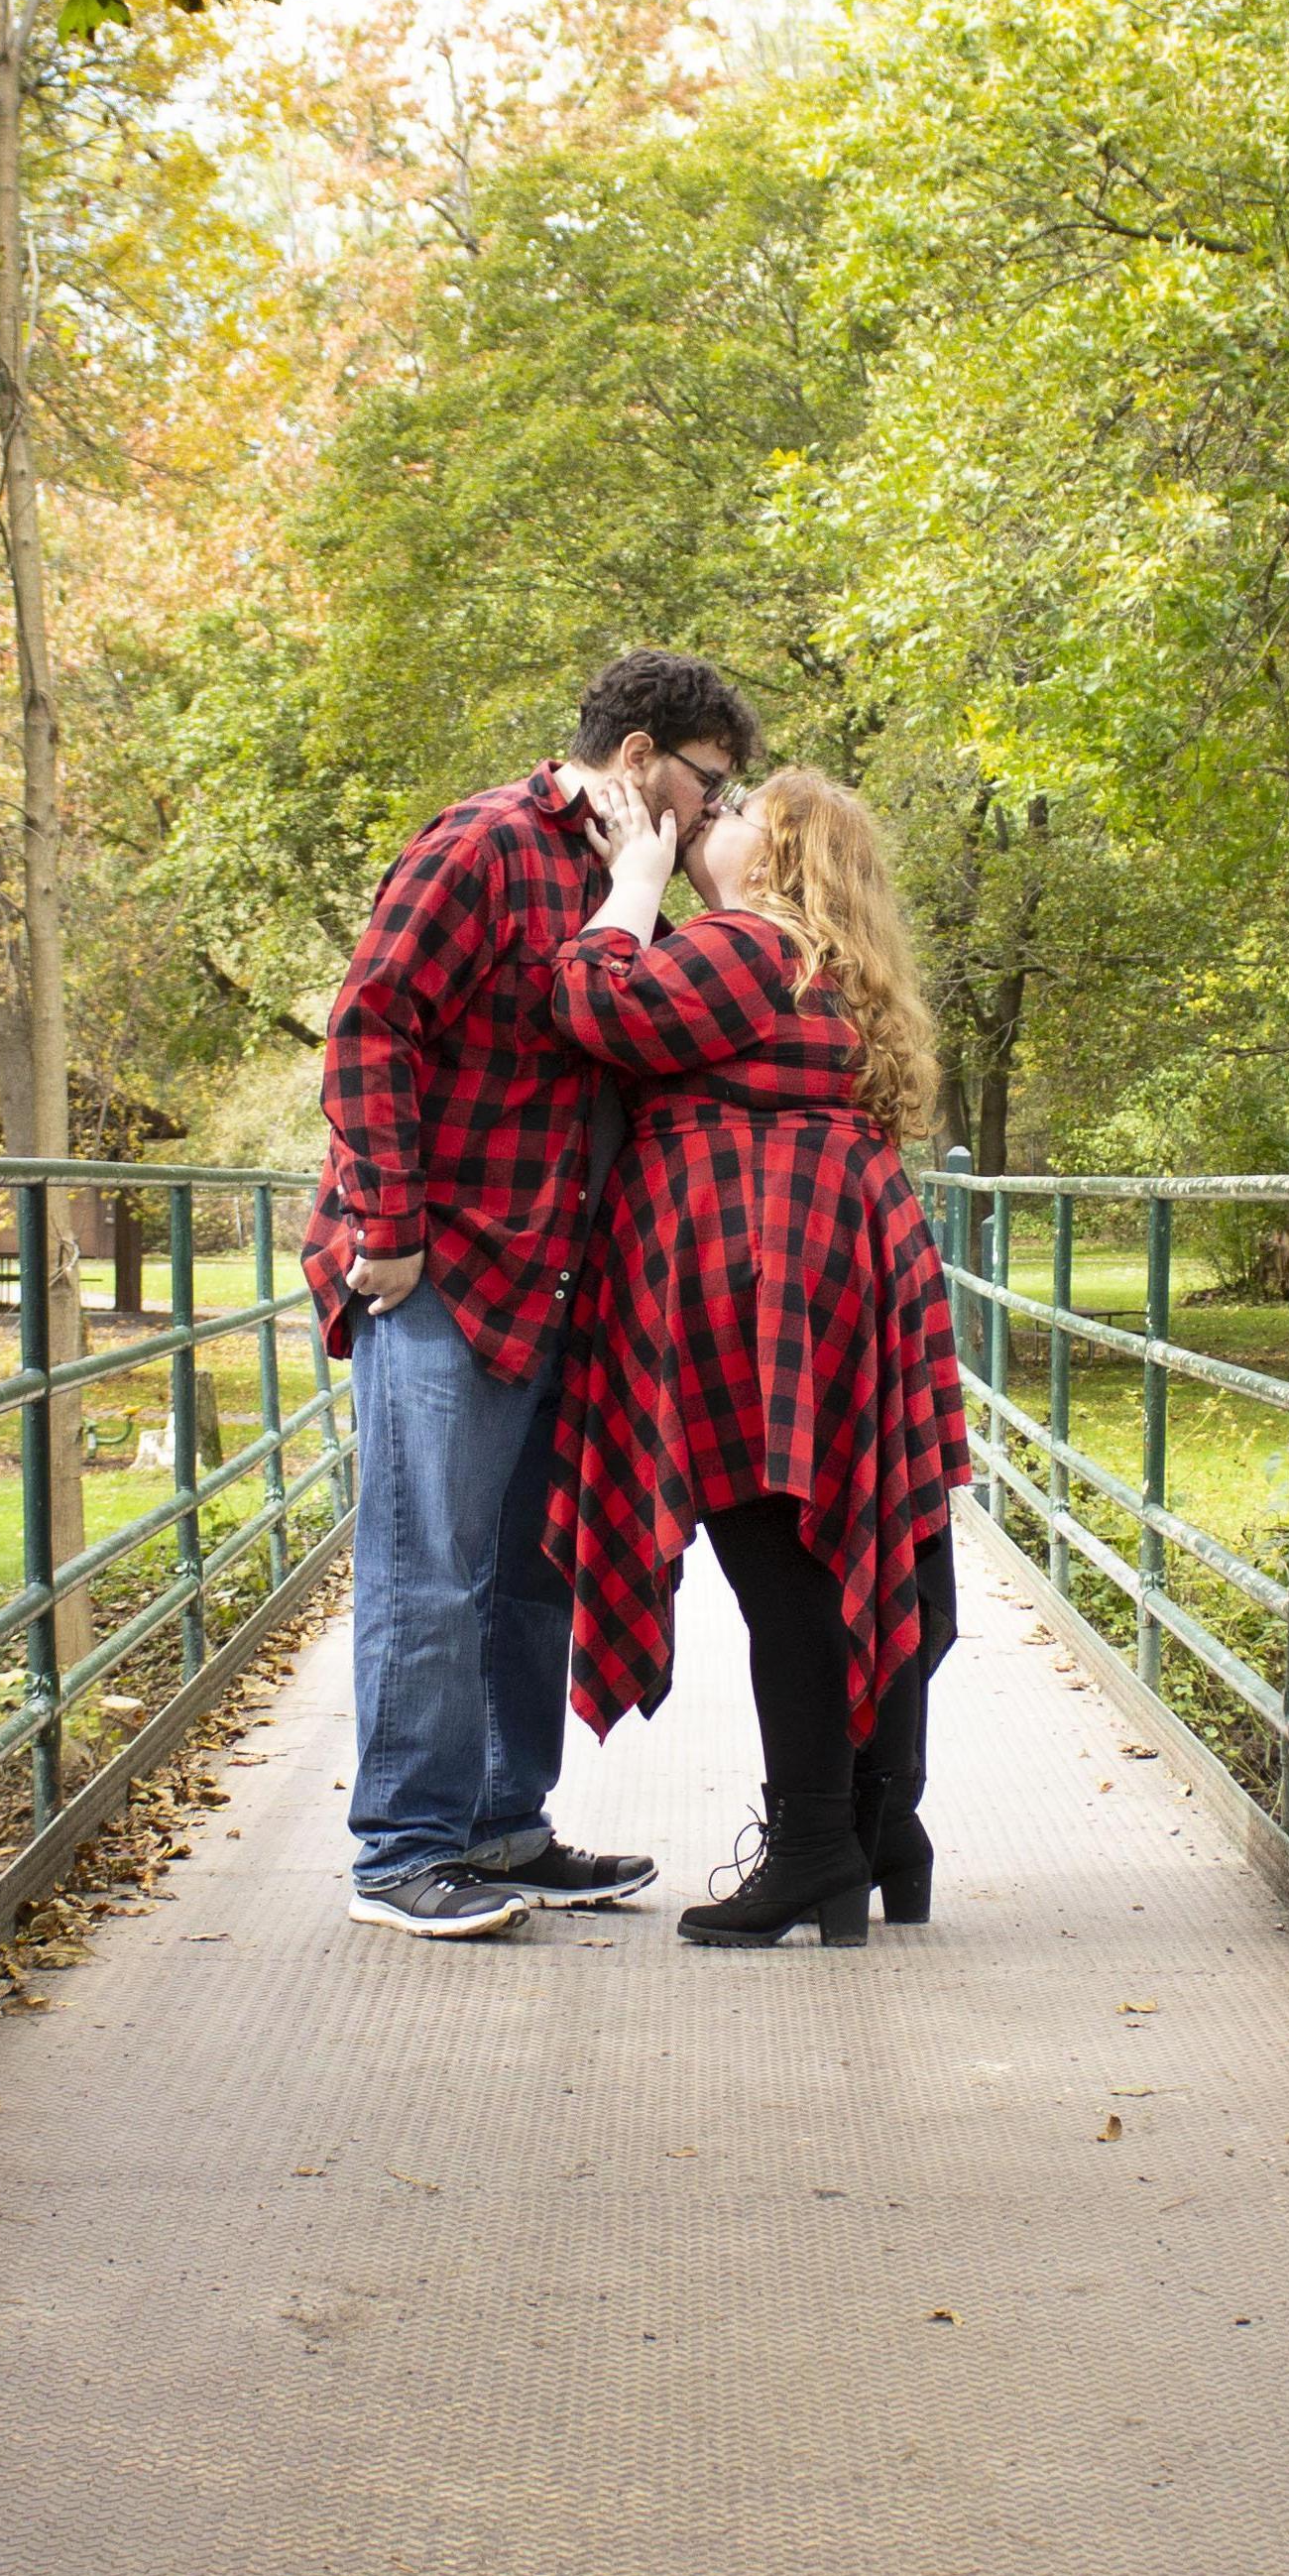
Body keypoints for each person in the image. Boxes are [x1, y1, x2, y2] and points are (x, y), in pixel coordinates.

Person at [303, 646, 765, 1936]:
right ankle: (399, 1851)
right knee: (426, 1567)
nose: (717, 810)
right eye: (709, 783)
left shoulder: (626, 880)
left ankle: (499, 1824)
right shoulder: (483, 844)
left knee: (524, 1570)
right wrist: (386, 1221)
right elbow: (371, 1021)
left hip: (557, 1279)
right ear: (636, 759)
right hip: (445, 1266)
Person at [541, 767, 969, 1945]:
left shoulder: (744, 943)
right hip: (837, 1257)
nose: (699, 825)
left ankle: (817, 1848)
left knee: (787, 1572)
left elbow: (593, 1004)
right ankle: (884, 1827)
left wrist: (629, 883)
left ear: (777, 853)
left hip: (754, 1268)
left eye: (726, 813)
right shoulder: (829, 965)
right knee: (867, 1548)